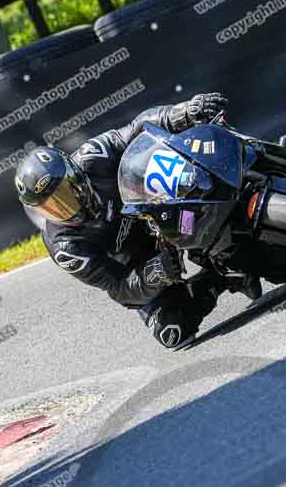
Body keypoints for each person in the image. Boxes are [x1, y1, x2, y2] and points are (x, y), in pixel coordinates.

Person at [14, 92, 259, 349]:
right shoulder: (65, 247)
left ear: (73, 173)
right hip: (142, 258)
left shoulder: (91, 157)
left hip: (164, 207)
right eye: (51, 207)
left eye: (63, 194)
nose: (63, 208)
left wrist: (182, 112)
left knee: (195, 169)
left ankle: (252, 170)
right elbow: (117, 287)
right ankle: (226, 277)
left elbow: (137, 128)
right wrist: (155, 272)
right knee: (173, 331)